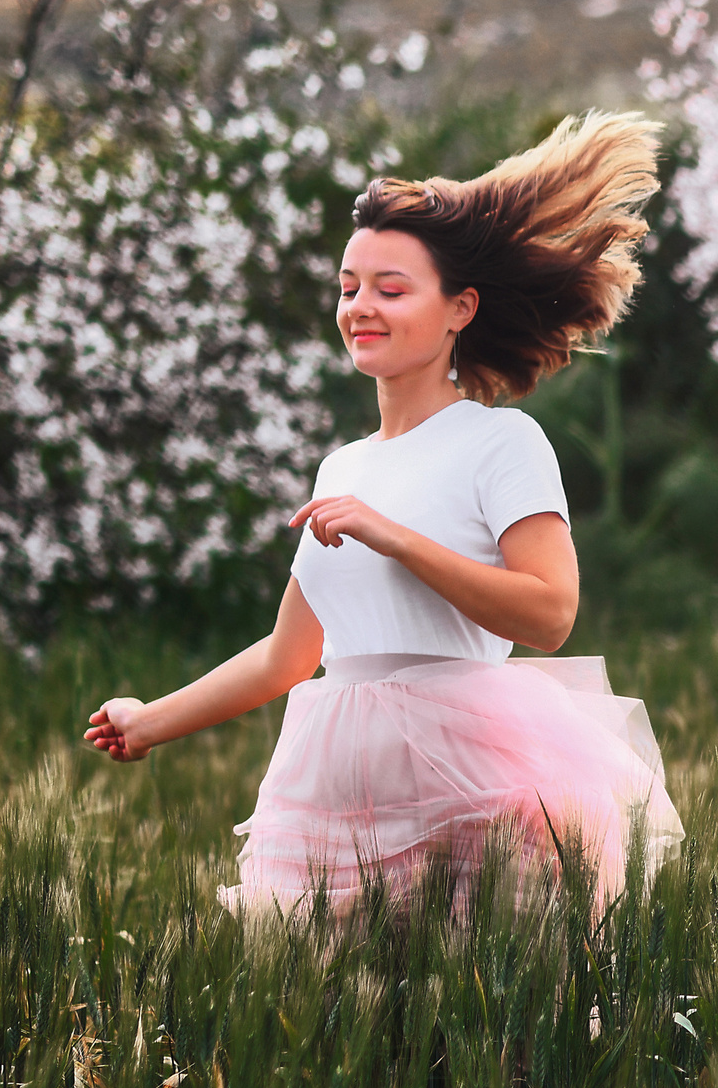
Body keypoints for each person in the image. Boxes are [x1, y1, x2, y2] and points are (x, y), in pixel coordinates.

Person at [81, 112, 683, 916]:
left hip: (470, 787)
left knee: (470, 1032)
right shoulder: (344, 467)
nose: (361, 307)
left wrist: (395, 537)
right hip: (330, 795)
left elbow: (551, 613)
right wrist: (150, 721)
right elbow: (288, 657)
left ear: (460, 309)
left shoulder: (501, 442)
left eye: (391, 290)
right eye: (349, 287)